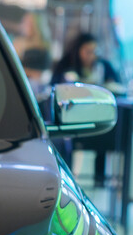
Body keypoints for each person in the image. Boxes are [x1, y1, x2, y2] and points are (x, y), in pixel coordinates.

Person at [51, 32, 124, 186]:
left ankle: (99, 180)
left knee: (105, 134)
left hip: (98, 119)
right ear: (78, 50)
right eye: (87, 51)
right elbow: (54, 88)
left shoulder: (103, 65)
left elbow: (117, 85)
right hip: (71, 121)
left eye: (94, 51)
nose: (91, 55)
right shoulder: (66, 65)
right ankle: (68, 179)